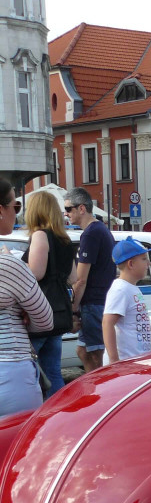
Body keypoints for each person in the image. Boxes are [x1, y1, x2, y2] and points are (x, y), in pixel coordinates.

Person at [1, 176, 54, 417]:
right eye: (15, 206)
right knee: (18, 449)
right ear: (1, 211)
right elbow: (44, 320)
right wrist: (24, 315)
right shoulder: (9, 266)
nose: (17, 213)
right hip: (10, 369)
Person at [23, 194, 76, 398]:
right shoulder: (64, 239)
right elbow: (73, 277)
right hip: (59, 312)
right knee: (53, 370)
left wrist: (13, 262)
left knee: (31, 370)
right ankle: (59, 414)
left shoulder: (40, 235)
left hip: (39, 312)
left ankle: (36, 416)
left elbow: (36, 273)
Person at [66, 187, 116, 372]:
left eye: (69, 209)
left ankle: (100, 394)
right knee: (83, 352)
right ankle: (93, 391)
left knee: (95, 356)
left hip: (93, 303)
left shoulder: (90, 234)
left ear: (81, 208)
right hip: (98, 301)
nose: (66, 213)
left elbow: (81, 279)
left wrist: (73, 308)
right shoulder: (100, 229)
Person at [102, 237, 151, 365]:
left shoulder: (131, 288)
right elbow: (107, 323)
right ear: (131, 264)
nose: (149, 263)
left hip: (136, 361)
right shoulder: (120, 289)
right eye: (144, 259)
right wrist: (114, 360)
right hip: (125, 363)